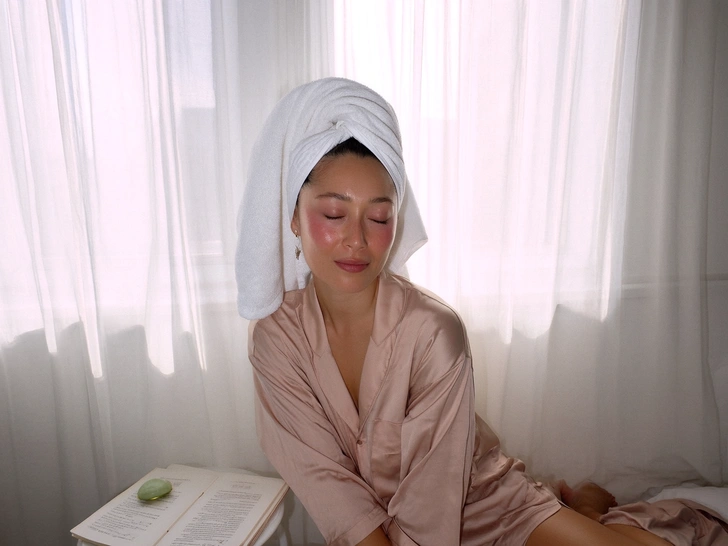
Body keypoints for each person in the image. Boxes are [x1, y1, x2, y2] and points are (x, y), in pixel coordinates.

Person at [236, 78, 728, 546]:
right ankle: (584, 508)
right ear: (293, 217)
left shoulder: (432, 331)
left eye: (379, 217)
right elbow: (329, 490)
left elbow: (430, 506)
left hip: (485, 503)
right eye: (334, 213)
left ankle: (583, 510)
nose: (357, 240)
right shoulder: (277, 341)